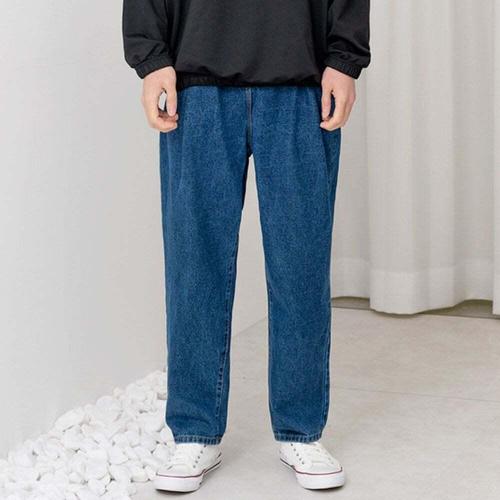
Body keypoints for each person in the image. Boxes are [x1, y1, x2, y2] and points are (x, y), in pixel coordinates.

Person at [122, 0, 370, 492]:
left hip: (300, 83)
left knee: (300, 267)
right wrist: (151, 59)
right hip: (197, 85)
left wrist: (345, 59)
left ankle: (301, 430)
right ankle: (195, 431)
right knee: (195, 267)